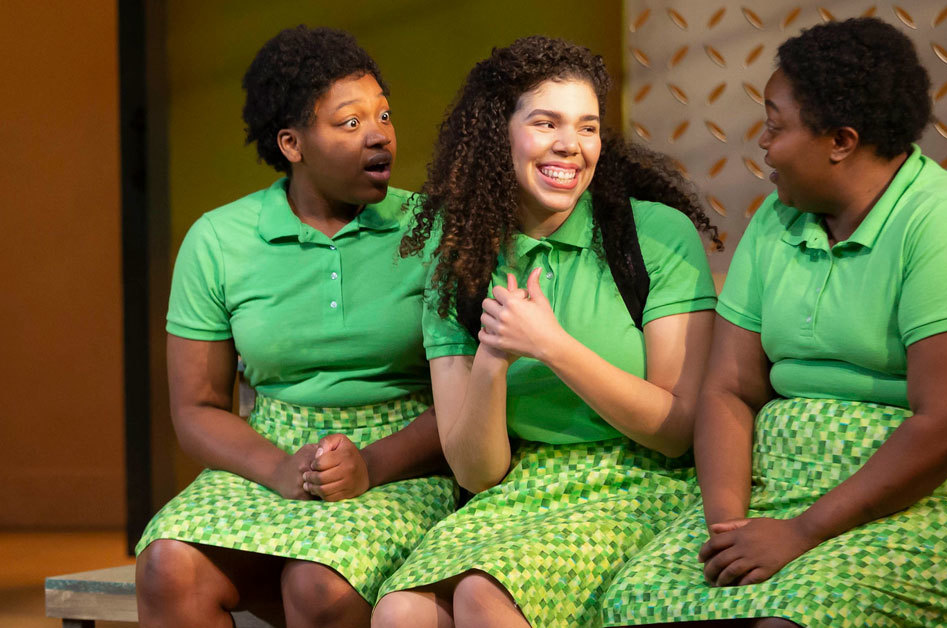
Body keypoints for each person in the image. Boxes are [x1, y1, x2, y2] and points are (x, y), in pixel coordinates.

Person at [602, 17, 947, 628]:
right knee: (634, 604)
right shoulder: (777, 223)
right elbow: (730, 387)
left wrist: (802, 532)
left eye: (776, 127)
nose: (764, 144)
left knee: (796, 615)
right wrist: (730, 523)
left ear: (841, 140)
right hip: (783, 496)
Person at [370, 36, 722, 628]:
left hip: (640, 482)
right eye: (546, 122)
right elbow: (477, 473)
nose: (571, 145)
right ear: (497, 134)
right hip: (523, 486)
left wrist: (551, 346)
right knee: (402, 612)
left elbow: (677, 431)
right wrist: (494, 357)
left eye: (587, 127)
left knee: (482, 596)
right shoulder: (461, 253)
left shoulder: (653, 236)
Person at [135, 26, 456, 628]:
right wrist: (281, 468)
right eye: (350, 122)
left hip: (407, 460)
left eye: (383, 115)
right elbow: (198, 407)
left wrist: (371, 464)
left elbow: (472, 398)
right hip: (273, 457)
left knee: (317, 584)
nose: (379, 134)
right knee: (166, 567)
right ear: (292, 143)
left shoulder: (433, 230)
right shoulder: (219, 240)